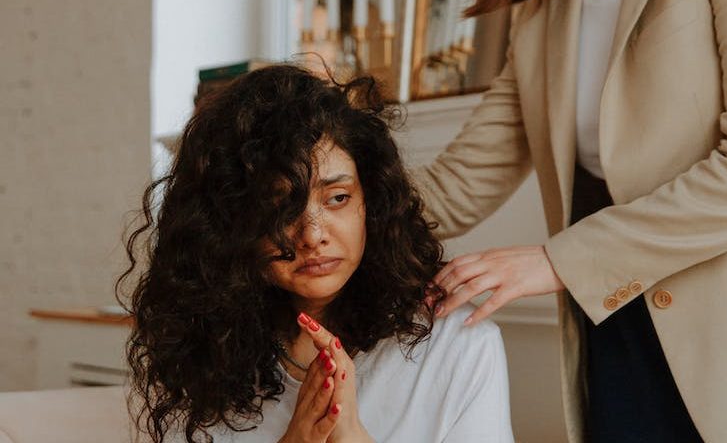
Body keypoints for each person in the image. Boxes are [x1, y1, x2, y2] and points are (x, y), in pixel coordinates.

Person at [414, 0, 727, 441]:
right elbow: (459, 183)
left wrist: (558, 260)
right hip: (624, 327)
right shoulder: (542, 7)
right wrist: (334, 202)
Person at [116, 64, 514, 443]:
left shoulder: (456, 345)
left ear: (370, 202)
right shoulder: (196, 351)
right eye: (278, 208)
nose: (312, 235)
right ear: (229, 225)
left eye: (337, 198)